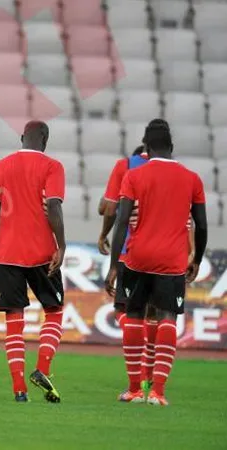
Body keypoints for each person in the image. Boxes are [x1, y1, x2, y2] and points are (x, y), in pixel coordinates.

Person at [105, 121, 207, 407]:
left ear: (147, 149)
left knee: (134, 316)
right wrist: (196, 258)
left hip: (137, 258)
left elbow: (122, 221)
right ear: (172, 148)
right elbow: (201, 224)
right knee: (167, 318)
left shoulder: (134, 175)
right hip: (172, 261)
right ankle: (158, 392)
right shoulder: (192, 178)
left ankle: (135, 389)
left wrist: (115, 265)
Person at [0, 120, 66, 403]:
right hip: (41, 253)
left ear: (22, 137)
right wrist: (62, 244)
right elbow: (54, 205)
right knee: (54, 311)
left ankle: (19, 390)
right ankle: (42, 369)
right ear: (44, 139)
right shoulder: (52, 167)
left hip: (7, 254)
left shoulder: (0, 167)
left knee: (13, 321)